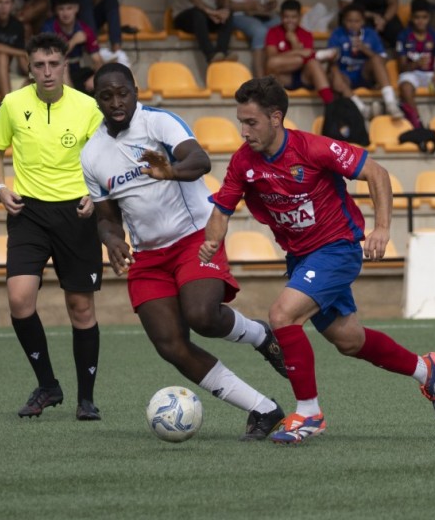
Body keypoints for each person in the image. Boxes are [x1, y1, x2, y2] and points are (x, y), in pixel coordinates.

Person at [198, 76, 435, 444]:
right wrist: (211, 240)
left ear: (276, 118)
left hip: (338, 248)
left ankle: (309, 413)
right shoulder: (243, 162)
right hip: (301, 258)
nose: (244, 131)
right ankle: (425, 369)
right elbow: (221, 209)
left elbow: (376, 173)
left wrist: (382, 228)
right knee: (349, 340)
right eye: (241, 122)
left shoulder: (313, 148)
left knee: (282, 315)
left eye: (251, 122)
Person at [81, 63, 287, 441]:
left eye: (123, 93)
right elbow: (107, 217)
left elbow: (199, 160)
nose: (116, 102)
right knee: (170, 345)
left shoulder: (158, 123)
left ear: (135, 91)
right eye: (106, 96)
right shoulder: (92, 154)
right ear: (97, 101)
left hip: (194, 237)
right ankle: (263, 409)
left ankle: (260, 335)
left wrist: (170, 171)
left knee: (202, 315)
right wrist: (111, 240)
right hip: (148, 257)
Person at [0, 33, 104, 421]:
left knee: (80, 307)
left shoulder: (88, 106)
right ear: (30, 67)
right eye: (39, 65)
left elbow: (106, 157)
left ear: (65, 65)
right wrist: (1, 188)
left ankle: (86, 400)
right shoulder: (13, 103)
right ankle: (48, 386)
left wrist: (96, 195)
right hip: (28, 214)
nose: (47, 72)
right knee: (19, 299)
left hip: (77, 214)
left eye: (54, 64)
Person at [327, 2, 403, 120]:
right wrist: (334, 56)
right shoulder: (337, 34)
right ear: (343, 21)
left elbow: (383, 60)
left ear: (363, 21)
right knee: (335, 74)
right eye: (349, 21)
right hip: (346, 75)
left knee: (376, 59)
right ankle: (362, 109)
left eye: (356, 21)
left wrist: (365, 50)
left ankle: (390, 103)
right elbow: (330, 61)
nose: (353, 24)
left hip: (364, 74)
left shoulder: (370, 34)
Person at [264, 0, 335, 105]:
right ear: (281, 17)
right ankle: (318, 55)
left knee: (313, 63)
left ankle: (331, 105)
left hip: (303, 76)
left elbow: (307, 59)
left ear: (300, 17)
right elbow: (272, 61)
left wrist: (294, 42)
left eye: (294, 17)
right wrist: (299, 52)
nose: (290, 21)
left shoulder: (306, 34)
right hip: (282, 77)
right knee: (272, 63)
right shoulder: (273, 32)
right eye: (286, 17)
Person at [224, 0, 278, 78]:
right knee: (260, 31)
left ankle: (277, 73)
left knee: (281, 25)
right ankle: (260, 79)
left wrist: (269, 5)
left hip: (260, 14)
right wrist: (248, 6)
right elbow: (227, 4)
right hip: (239, 15)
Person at [41, 0, 103, 93]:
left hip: (76, 72)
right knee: (63, 64)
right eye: (61, 9)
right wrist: (74, 41)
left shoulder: (84, 29)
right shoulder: (49, 28)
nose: (66, 13)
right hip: (52, 72)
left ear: (76, 9)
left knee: (105, 74)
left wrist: (95, 77)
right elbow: (52, 56)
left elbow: (97, 59)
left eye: (69, 8)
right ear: (55, 11)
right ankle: (70, 100)